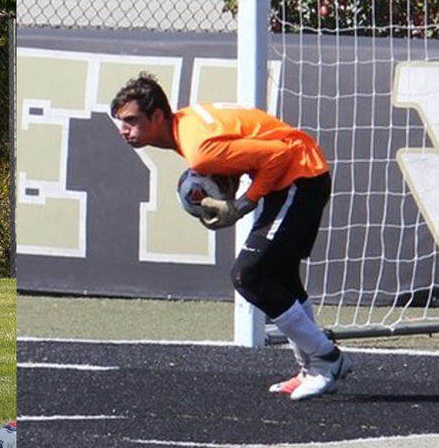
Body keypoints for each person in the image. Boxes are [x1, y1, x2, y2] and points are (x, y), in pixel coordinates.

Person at [110, 72, 352, 401]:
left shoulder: (198, 149)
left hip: (299, 175)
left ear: (157, 115)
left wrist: (243, 204)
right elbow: (244, 144)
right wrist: (234, 184)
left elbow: (278, 154)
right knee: (280, 275)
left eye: (131, 121)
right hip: (298, 174)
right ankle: (310, 368)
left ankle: (327, 359)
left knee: (248, 275)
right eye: (120, 122)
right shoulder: (187, 125)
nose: (124, 130)